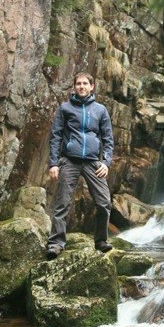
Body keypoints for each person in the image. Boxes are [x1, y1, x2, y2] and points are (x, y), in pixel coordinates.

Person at [46, 72, 114, 258]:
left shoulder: (100, 110)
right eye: (78, 83)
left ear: (92, 87)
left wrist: (106, 163)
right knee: (62, 203)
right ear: (74, 87)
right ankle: (56, 243)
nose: (82, 86)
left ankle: (101, 241)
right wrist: (53, 163)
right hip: (70, 161)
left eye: (85, 83)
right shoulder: (65, 108)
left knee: (104, 203)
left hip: (93, 162)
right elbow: (55, 137)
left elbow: (108, 139)